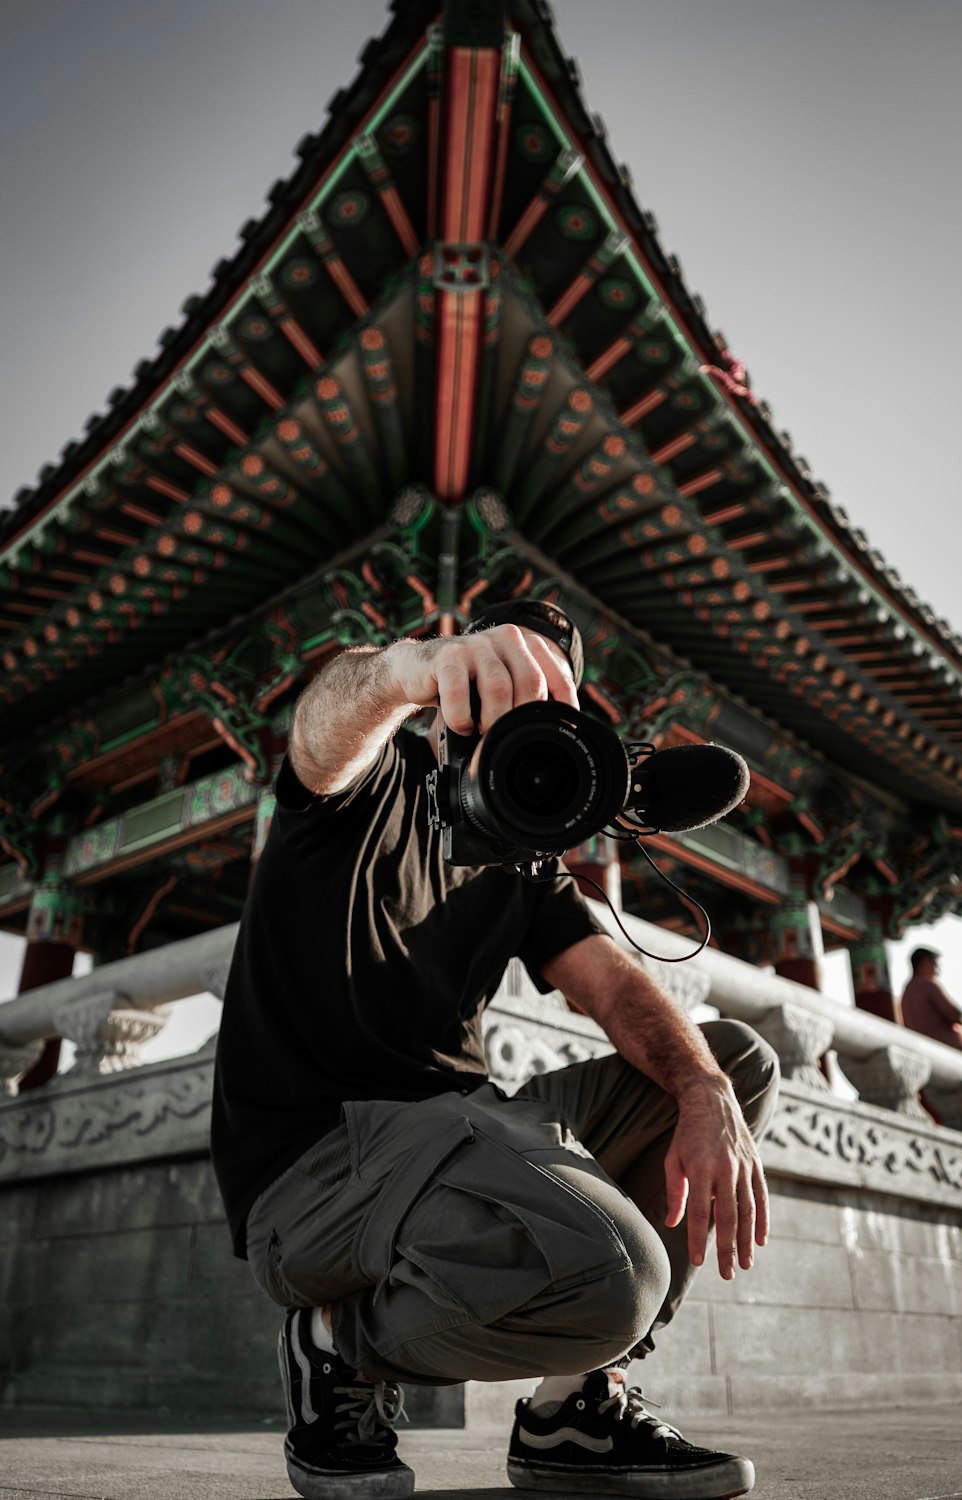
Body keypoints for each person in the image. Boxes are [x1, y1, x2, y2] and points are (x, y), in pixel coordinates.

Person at [211, 598, 780, 1500]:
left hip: (456, 1136)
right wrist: (411, 669)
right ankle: (337, 1349)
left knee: (730, 1060)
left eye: (545, 719)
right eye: (494, 699)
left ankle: (573, 1411)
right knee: (619, 1279)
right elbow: (323, 725)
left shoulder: (525, 861)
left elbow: (618, 989)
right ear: (452, 706)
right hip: (315, 1169)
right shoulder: (368, 776)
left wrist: (704, 1090)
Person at [900, 947, 962, 1055]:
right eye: (935, 962)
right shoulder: (927, 985)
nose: (938, 967)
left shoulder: (908, 989)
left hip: (926, 1052)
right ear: (925, 962)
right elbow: (956, 1016)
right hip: (945, 1055)